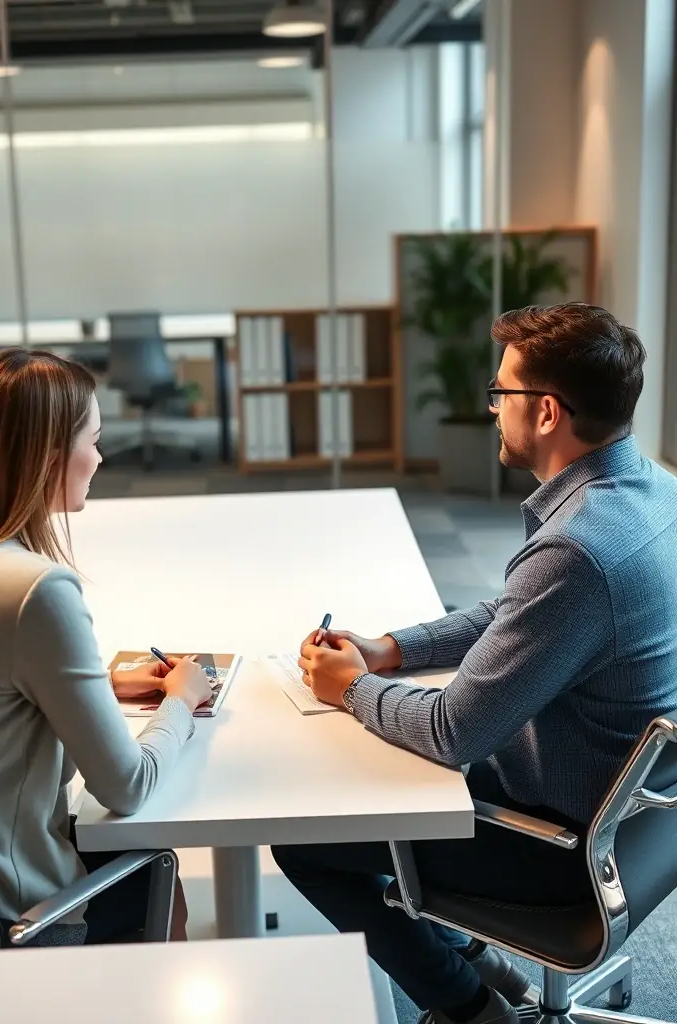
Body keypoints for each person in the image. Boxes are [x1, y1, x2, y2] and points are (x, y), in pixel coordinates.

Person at [272, 304, 677, 1024]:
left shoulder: (579, 549)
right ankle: (475, 958)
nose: (491, 409)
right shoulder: (653, 491)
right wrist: (392, 650)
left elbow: (455, 731)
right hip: (635, 822)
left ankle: (466, 1009)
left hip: (559, 842)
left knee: (305, 838)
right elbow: (515, 614)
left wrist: (351, 689)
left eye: (501, 394)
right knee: (367, 785)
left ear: (546, 412)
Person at [0, 348, 213, 947]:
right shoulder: (32, 589)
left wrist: (94, 687)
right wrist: (181, 699)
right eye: (93, 441)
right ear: (48, 458)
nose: (99, 459)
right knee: (155, 864)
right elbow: (126, 786)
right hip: (11, 907)